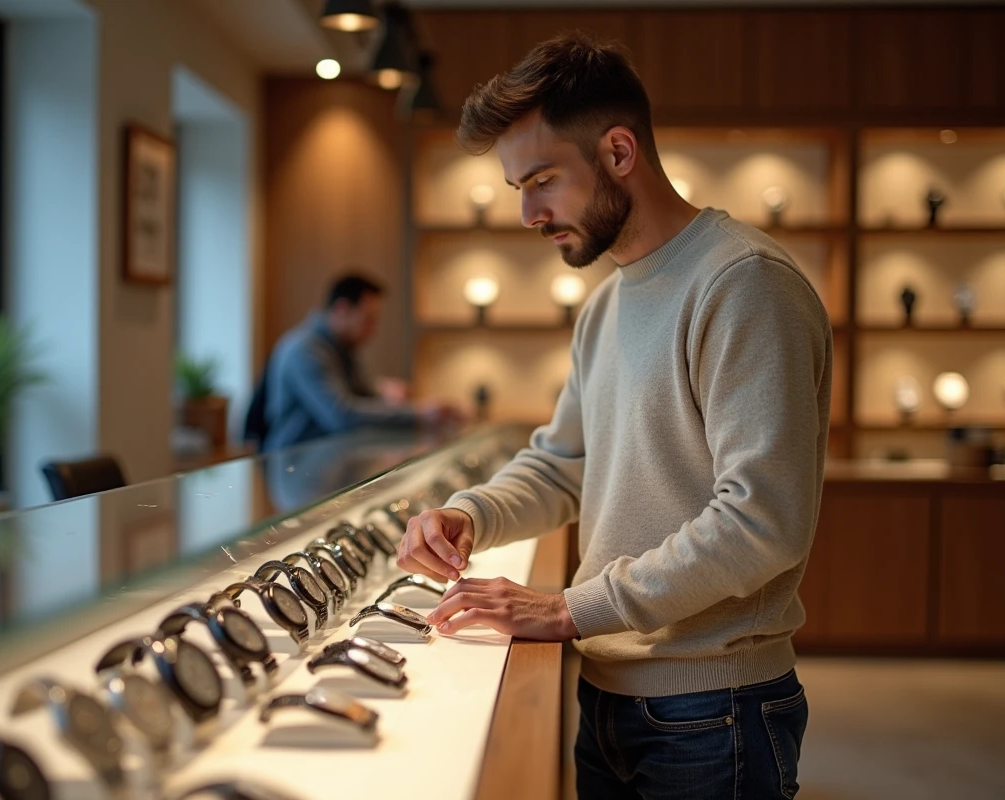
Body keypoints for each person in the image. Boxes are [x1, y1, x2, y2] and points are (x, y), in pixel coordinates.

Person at [395, 33, 831, 800]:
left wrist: (570, 608)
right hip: (609, 690)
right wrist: (471, 514)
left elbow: (763, 519)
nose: (528, 213)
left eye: (541, 181)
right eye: (516, 189)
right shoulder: (606, 304)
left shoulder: (743, 283)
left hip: (714, 708)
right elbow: (564, 461)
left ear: (619, 152)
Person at [252, 273, 457, 453]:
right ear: (342, 309)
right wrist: (418, 413)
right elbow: (341, 415)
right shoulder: (304, 350)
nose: (373, 330)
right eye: (369, 320)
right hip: (297, 472)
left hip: (324, 467)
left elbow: (361, 394)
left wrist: (382, 391)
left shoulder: (339, 348)